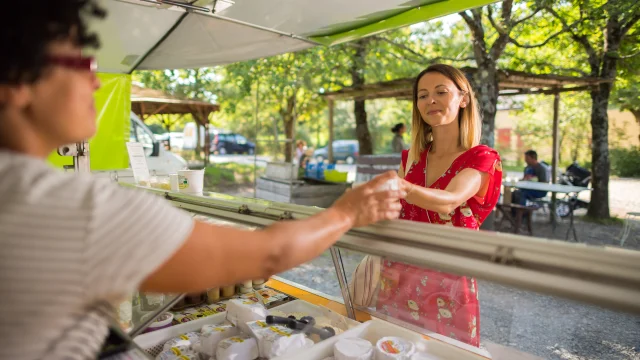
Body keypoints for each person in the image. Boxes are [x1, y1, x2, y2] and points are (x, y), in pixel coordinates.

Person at [0, 2, 405, 359]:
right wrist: (347, 212)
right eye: (83, 63)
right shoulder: (68, 208)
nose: (96, 81)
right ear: (17, 82)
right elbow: (269, 253)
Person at [375, 64, 502, 347]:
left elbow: (450, 201)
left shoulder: (481, 157)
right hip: (399, 270)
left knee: (442, 351)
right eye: (422, 95)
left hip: (448, 280)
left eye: (440, 92)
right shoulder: (411, 157)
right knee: (392, 347)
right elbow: (395, 211)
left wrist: (400, 187)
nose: (430, 100)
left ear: (464, 98)